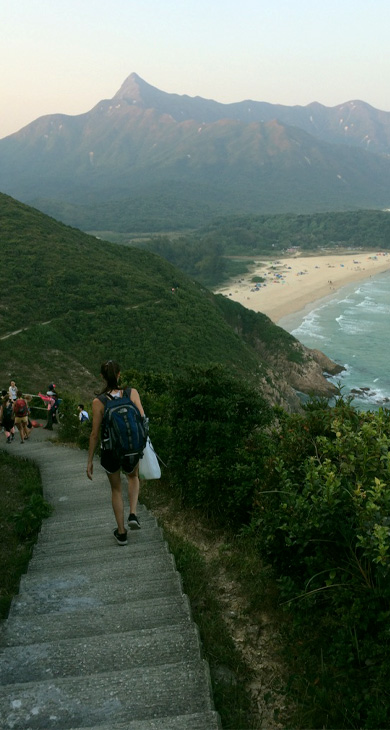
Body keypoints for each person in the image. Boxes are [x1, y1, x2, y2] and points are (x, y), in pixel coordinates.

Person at [87, 360, 145, 545]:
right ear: (120, 374)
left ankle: (121, 533)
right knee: (133, 477)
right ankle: (133, 514)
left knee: (116, 489)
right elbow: (142, 419)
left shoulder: (99, 402)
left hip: (111, 452)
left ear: (102, 377)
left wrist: (89, 460)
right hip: (131, 449)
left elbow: (95, 434)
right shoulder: (131, 393)